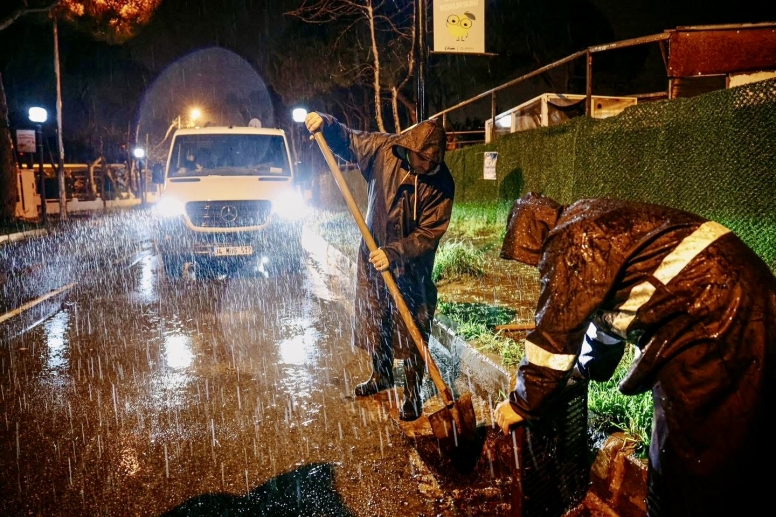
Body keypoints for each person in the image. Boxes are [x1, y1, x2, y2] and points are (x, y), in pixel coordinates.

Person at [493, 192, 775, 516]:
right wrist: (587, 368)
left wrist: (522, 402)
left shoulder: (568, 241)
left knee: (687, 455)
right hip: (751, 293)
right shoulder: (591, 221)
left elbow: (552, 336)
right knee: (744, 433)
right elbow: (607, 319)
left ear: (534, 239)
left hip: (709, 314)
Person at [305, 112, 455, 421]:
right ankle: (381, 374)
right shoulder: (383, 150)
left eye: (433, 162)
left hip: (411, 264)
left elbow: (429, 234)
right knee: (377, 317)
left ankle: (412, 393)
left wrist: (396, 252)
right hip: (373, 253)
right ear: (409, 149)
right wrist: (326, 123)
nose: (427, 167)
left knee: (413, 326)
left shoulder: (441, 183)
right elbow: (348, 139)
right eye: (422, 160)